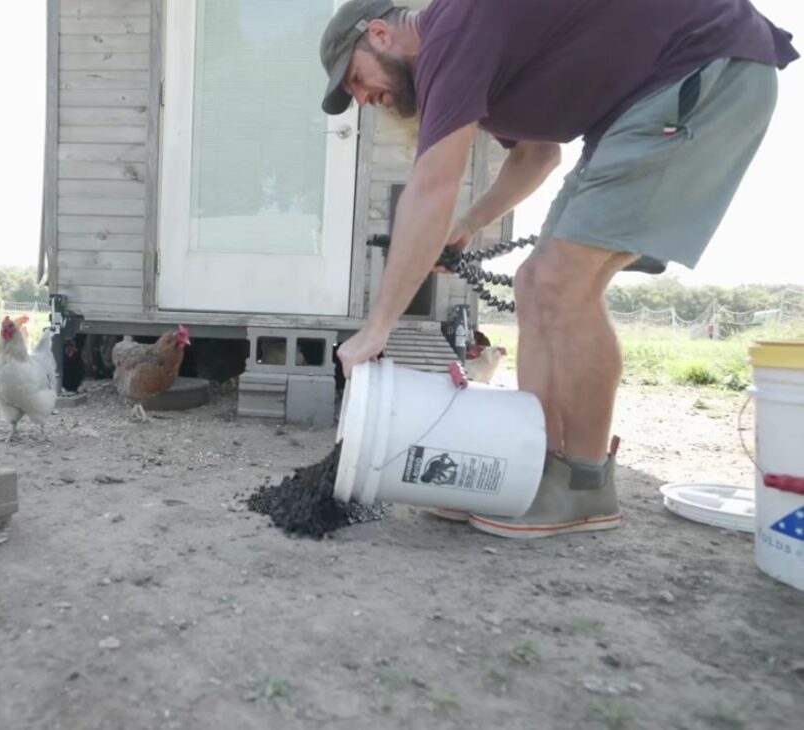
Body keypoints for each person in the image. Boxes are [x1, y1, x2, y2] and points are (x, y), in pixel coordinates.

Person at [321, 0, 797, 538]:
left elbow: (432, 186)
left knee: (562, 282)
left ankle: (586, 483)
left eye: (356, 79)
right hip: (639, 105)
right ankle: (537, 468)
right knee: (535, 283)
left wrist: (378, 328)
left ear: (380, 34)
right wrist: (471, 223)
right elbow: (537, 155)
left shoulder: (449, 32)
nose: (363, 99)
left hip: (702, 65)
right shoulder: (462, 50)